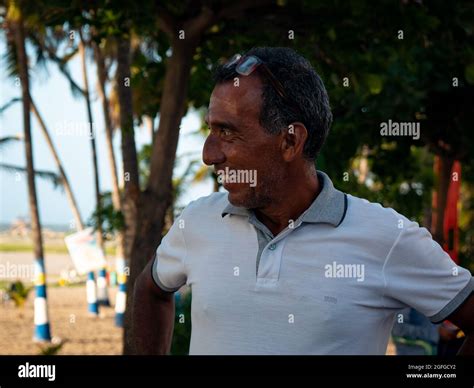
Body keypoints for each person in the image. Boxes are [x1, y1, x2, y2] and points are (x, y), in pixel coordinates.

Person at [132, 47, 474, 355]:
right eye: (210, 130)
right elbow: (150, 289)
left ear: (290, 141)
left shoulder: (387, 237)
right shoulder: (199, 220)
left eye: (227, 132)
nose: (209, 154)